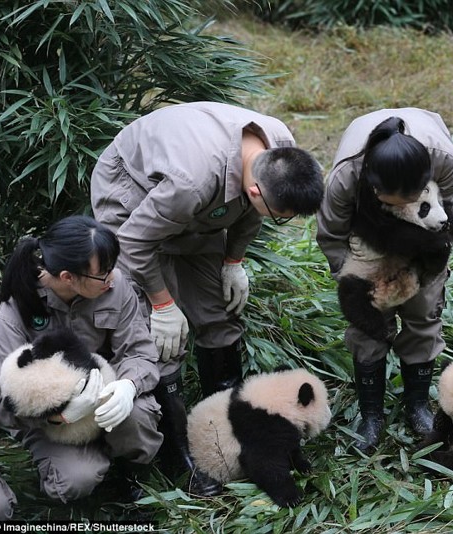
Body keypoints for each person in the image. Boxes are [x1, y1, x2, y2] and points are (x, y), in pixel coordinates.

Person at [91, 101, 324, 491]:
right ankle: (177, 451)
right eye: (280, 216)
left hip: (205, 200)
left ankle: (227, 423)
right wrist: (163, 304)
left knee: (219, 312)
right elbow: (132, 243)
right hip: (133, 192)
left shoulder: (278, 149)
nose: (278, 222)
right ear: (253, 190)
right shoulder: (191, 183)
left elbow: (253, 211)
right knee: (164, 338)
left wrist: (234, 260)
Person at [316, 108, 453, 451]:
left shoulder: (443, 160)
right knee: (367, 325)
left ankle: (416, 404)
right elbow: (331, 236)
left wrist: (424, 277)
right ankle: (371, 414)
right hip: (366, 236)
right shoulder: (346, 177)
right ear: (374, 186)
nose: (408, 204)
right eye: (400, 201)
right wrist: (361, 288)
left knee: (424, 313)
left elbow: (447, 221)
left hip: (425, 235)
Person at [0, 216, 162, 503]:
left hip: (107, 393)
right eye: (102, 274)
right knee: (73, 482)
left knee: (136, 419)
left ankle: (129, 470)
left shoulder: (115, 286)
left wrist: (128, 386)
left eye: (111, 269)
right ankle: (90, 463)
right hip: (53, 423)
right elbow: (2, 403)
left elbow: (140, 352)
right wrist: (58, 415)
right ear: (68, 277)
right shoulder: (15, 310)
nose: (111, 279)